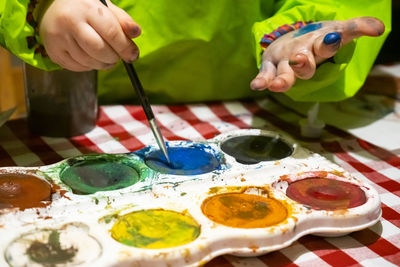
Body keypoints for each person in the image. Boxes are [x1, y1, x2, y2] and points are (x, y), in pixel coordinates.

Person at [0, 0, 391, 105]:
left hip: (253, 100)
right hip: (96, 101)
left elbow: (338, 6)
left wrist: (302, 32)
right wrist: (38, 7)